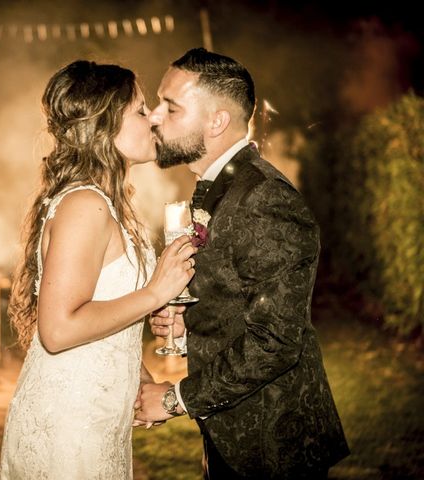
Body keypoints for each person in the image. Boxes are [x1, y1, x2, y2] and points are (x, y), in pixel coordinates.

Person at [135, 48, 349, 479]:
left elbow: (275, 341)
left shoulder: (265, 198)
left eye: (170, 107)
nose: (154, 117)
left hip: (275, 447)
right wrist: (190, 318)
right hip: (235, 436)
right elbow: (240, 294)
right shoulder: (222, 187)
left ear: (217, 121)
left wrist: (176, 398)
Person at [0, 60, 197, 479]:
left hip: (99, 418)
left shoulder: (113, 204)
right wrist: (154, 293)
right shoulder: (84, 206)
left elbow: (105, 319)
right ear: (105, 124)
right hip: (68, 424)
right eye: (141, 111)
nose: (154, 119)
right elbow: (58, 330)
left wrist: (140, 382)